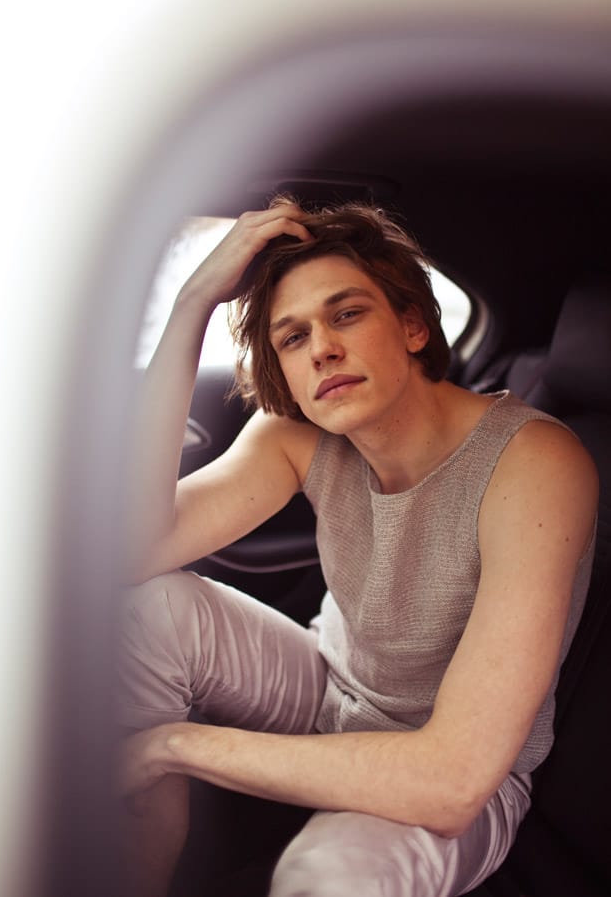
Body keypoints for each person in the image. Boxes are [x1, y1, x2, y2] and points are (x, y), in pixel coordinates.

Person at [118, 200, 598, 897]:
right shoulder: (297, 435)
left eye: (346, 314)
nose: (321, 349)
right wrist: (194, 303)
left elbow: (454, 781)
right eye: (292, 337)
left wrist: (176, 746)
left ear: (413, 325)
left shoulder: (535, 464)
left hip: (454, 767)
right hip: (330, 686)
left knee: (330, 879)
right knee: (142, 612)